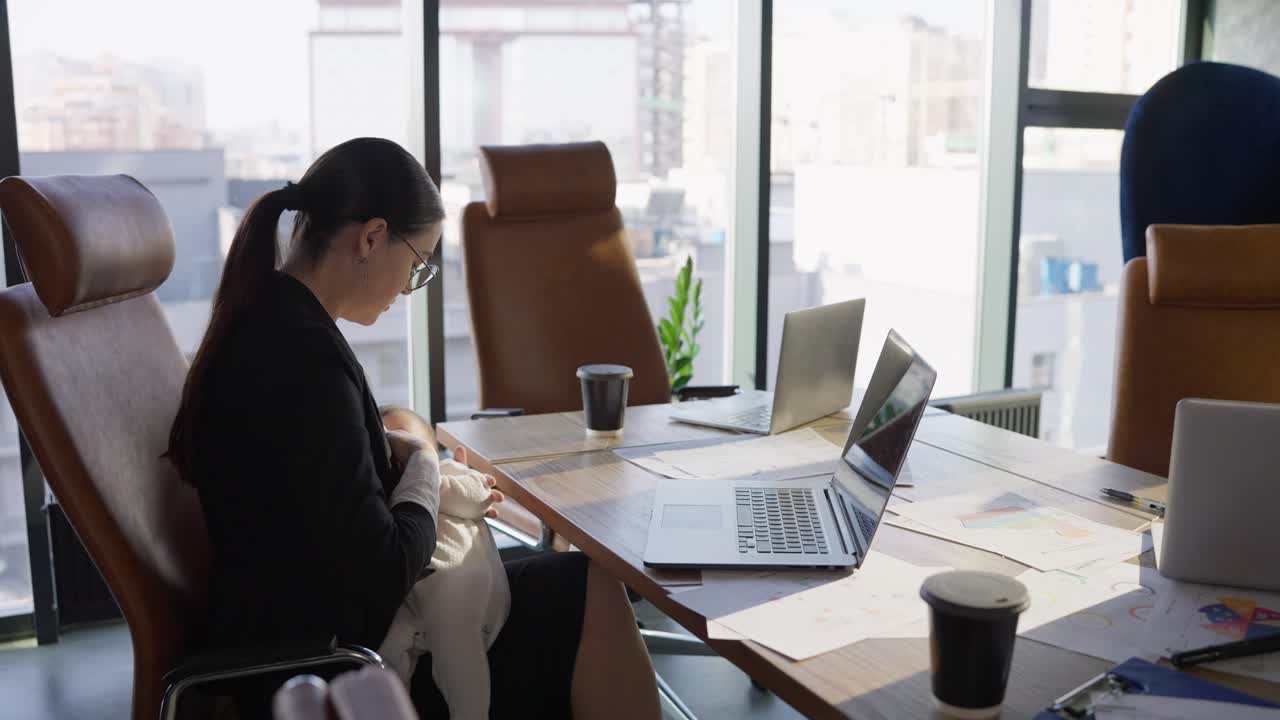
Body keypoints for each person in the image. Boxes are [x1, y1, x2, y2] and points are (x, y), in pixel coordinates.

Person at [166, 137, 660, 718]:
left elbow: (323, 488)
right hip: (345, 668)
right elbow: (382, 577)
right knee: (589, 591)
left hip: (301, 636)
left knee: (575, 582)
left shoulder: (266, 325)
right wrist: (424, 464)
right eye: (417, 265)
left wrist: (387, 449)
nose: (408, 289)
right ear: (372, 238)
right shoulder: (305, 363)